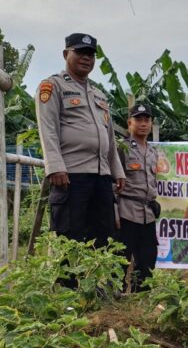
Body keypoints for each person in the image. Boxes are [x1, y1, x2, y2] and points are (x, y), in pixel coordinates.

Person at [35, 32, 126, 251]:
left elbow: (109, 137)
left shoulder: (99, 94)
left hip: (102, 177)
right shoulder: (53, 86)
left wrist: (118, 171)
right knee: (71, 237)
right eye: (80, 52)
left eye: (91, 54)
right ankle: (68, 285)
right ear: (66, 54)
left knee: (103, 237)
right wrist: (55, 167)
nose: (87, 58)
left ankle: (95, 285)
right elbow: (47, 128)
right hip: (70, 176)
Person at [116, 103, 160, 293]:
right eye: (138, 120)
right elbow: (112, 180)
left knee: (147, 259)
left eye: (147, 120)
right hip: (127, 211)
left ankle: (139, 297)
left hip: (147, 213)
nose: (143, 124)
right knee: (120, 259)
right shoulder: (121, 148)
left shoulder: (153, 152)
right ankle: (115, 297)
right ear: (129, 123)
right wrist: (113, 210)